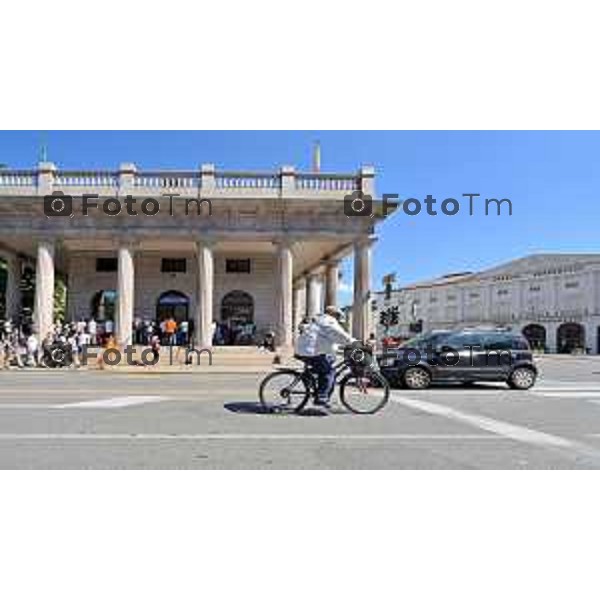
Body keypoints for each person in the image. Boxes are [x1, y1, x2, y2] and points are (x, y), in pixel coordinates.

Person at [311, 306, 355, 408]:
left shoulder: (320, 320)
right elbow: (339, 334)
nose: (338, 318)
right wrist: (354, 342)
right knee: (329, 372)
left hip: (313, 350)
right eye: (337, 315)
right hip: (312, 351)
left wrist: (343, 348)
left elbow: (333, 341)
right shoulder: (328, 321)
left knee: (330, 369)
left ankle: (325, 394)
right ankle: (321, 396)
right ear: (333, 314)